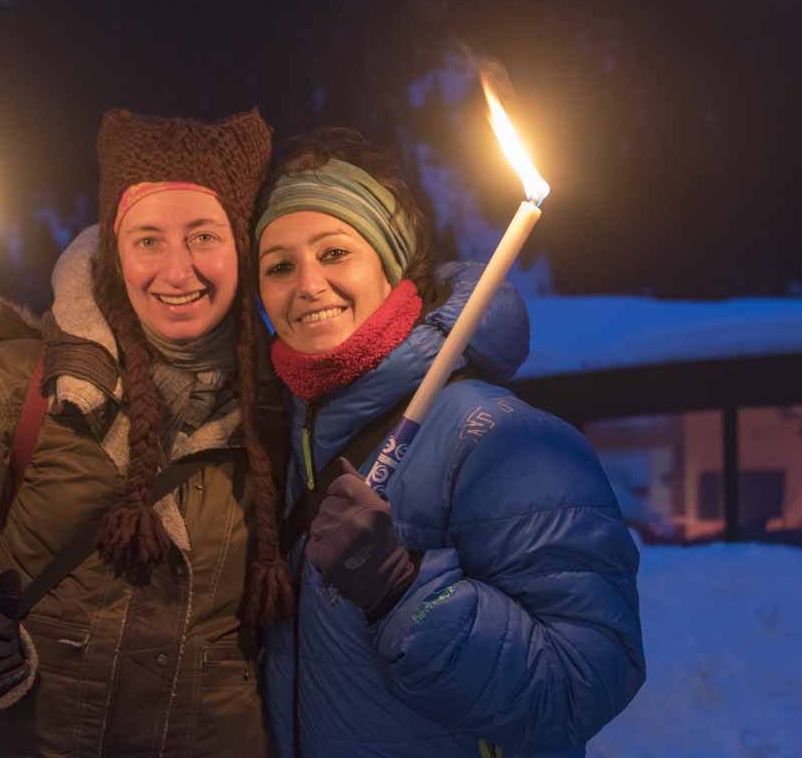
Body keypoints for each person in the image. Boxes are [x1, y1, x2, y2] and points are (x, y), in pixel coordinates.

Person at [0, 108, 294, 758]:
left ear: (241, 242)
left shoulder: (280, 411)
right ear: (113, 248)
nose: (178, 272)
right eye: (149, 239)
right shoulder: (20, 383)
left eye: (204, 236)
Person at [253, 129, 645, 757]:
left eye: (333, 253)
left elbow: (583, 687)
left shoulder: (503, 439)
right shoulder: (283, 441)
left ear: (390, 260)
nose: (307, 284)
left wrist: (400, 591)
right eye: (279, 266)